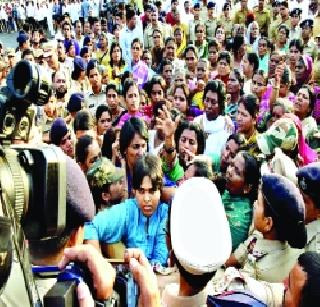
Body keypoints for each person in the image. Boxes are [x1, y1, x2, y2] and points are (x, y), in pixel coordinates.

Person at [84, 154, 169, 265]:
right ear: (134, 191)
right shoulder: (128, 210)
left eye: (152, 191)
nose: (147, 199)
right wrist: (97, 265)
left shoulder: (165, 212)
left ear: (160, 191)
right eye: (141, 191)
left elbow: (161, 255)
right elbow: (91, 226)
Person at [227, 173, 307, 282]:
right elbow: (233, 259)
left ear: (268, 223)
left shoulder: (261, 270)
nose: (254, 204)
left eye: (258, 203)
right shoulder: (261, 235)